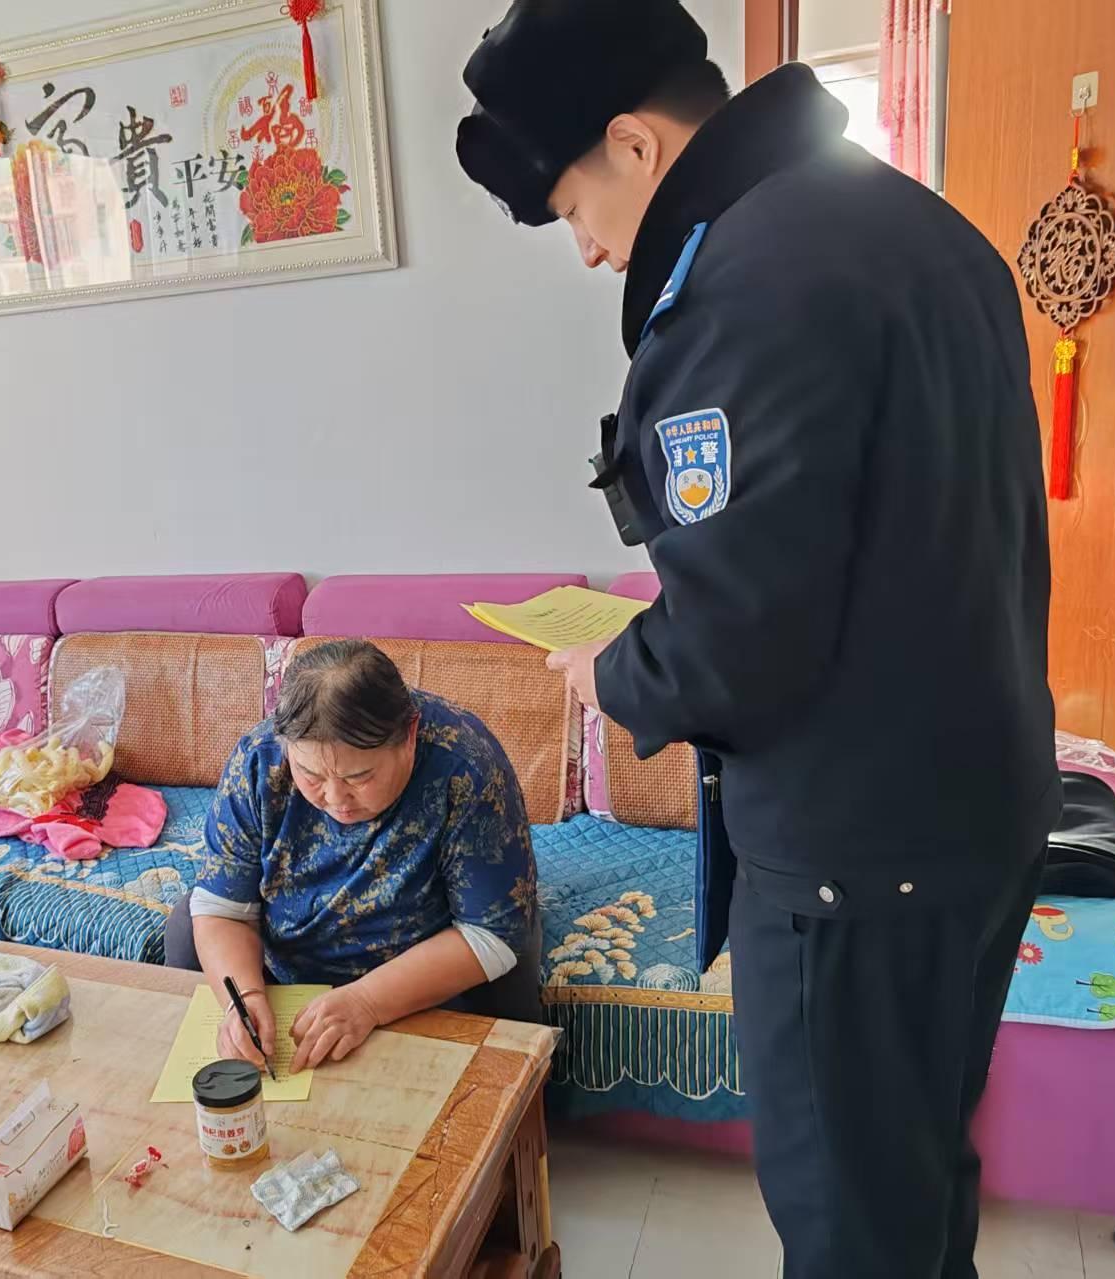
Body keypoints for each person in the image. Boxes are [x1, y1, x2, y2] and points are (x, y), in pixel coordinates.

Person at [457, 4, 1058, 1277]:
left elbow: (738, 642)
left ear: (634, 144)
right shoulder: (914, 226)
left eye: (572, 211)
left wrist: (613, 671)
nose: (586, 249)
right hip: (976, 808)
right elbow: (871, 553)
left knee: (848, 1227)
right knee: (913, 1186)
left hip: (854, 855)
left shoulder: (743, 280)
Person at [165, 639, 541, 1073]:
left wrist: (367, 1001)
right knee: (188, 926)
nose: (334, 798)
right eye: (310, 774)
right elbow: (223, 908)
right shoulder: (258, 761)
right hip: (283, 962)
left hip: (421, 975)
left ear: (410, 736)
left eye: (359, 777)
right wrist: (244, 1001)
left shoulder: (466, 765)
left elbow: (491, 932)